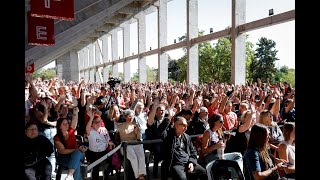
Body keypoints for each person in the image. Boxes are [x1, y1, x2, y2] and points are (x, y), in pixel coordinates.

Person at [54, 107, 88, 180]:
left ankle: (69, 176)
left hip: (77, 155)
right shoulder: (57, 138)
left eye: (67, 124)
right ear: (59, 126)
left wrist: (75, 111)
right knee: (77, 162)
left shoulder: (70, 131)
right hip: (65, 158)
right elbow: (62, 151)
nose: (67, 125)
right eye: (64, 124)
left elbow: (74, 120)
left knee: (78, 153)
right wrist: (76, 149)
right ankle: (72, 176)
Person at [117, 109, 146, 180]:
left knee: (141, 157)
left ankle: (142, 175)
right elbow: (117, 138)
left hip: (135, 143)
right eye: (129, 116)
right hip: (125, 145)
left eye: (132, 116)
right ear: (126, 117)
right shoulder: (120, 126)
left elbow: (139, 138)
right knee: (133, 158)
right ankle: (138, 177)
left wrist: (137, 131)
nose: (131, 118)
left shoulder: (135, 125)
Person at [85, 110, 114, 180]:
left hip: (104, 152)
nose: (98, 123)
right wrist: (91, 118)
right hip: (94, 154)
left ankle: (106, 176)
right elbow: (87, 129)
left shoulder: (104, 129)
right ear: (92, 124)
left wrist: (110, 144)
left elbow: (108, 140)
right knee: (95, 169)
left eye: (99, 122)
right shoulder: (90, 131)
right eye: (96, 122)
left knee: (110, 164)